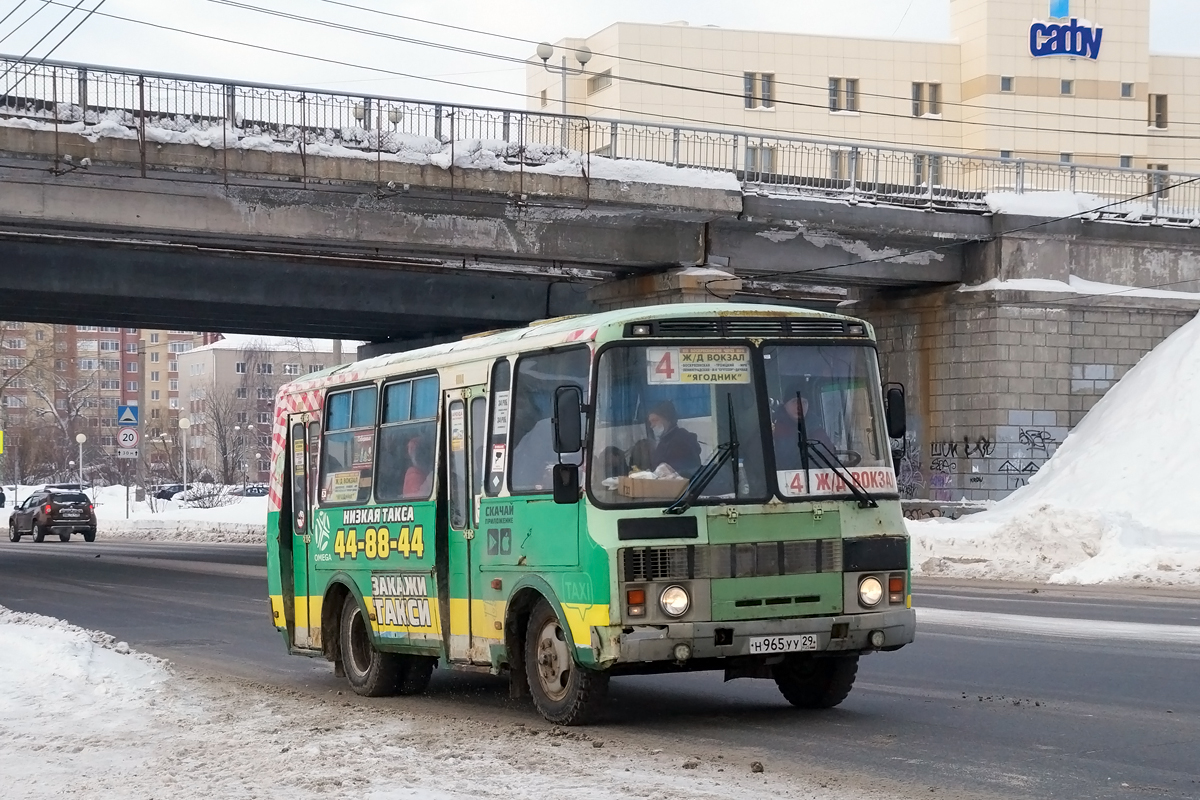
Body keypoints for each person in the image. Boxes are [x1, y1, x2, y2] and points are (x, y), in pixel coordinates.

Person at [773, 388, 833, 471]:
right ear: (785, 405)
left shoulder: (817, 430)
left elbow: (830, 458)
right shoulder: (774, 430)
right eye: (795, 401)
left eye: (804, 402)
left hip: (817, 479)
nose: (800, 406)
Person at [645, 400, 701, 477]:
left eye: (655, 420)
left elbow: (685, 471)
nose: (652, 426)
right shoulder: (663, 441)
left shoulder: (683, 440)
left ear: (668, 419)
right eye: (650, 422)